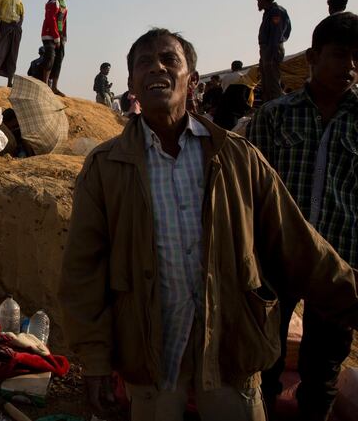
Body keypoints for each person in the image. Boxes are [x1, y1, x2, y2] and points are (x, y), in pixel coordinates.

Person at [59, 27, 358, 421]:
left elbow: (298, 243)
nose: (156, 69)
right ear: (131, 83)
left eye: (169, 60)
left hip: (230, 346)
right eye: (144, 63)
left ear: (193, 80)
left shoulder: (237, 157)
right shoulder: (104, 167)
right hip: (149, 352)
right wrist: (96, 361)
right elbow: (84, 270)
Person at [248, 12, 358, 421]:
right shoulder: (275, 116)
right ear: (314, 56)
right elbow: (250, 193)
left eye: (356, 58)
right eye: (339, 55)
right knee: (265, 365)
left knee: (323, 372)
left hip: (339, 263)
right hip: (276, 262)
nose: (349, 67)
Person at [256, 0, 291, 102]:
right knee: (266, 85)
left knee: (273, 85)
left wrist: (269, 55)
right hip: (267, 50)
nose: (257, 2)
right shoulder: (268, 13)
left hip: (272, 49)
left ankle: (277, 110)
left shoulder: (276, 12)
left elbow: (276, 35)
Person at [39, 0, 74, 96]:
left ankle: (54, 87)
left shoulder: (64, 4)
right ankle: (44, 86)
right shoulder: (53, 2)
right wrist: (56, 37)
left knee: (59, 60)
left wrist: (63, 37)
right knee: (50, 58)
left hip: (59, 36)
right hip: (49, 35)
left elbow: (64, 22)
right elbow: (51, 19)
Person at [213, 60, 259, 130]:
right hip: (231, 113)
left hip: (226, 107)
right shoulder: (242, 79)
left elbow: (223, 90)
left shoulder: (225, 77)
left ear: (232, 67)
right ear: (241, 68)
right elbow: (240, 98)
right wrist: (250, 109)